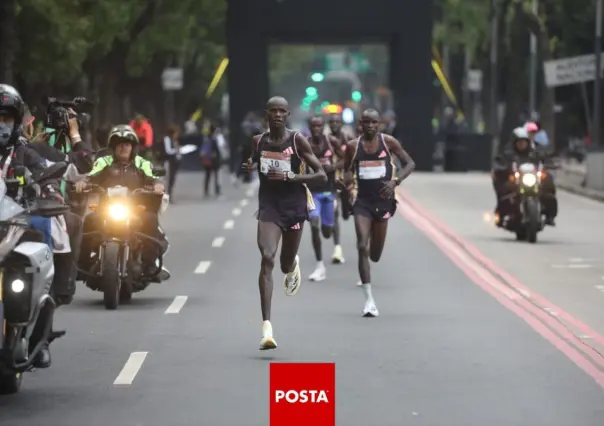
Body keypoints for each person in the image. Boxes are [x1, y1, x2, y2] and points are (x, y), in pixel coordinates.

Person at [241, 96, 326, 350]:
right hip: (269, 208)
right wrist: (249, 165)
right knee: (267, 257)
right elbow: (254, 161)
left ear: (287, 114)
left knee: (285, 264)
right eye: (273, 111)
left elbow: (320, 174)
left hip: (294, 207)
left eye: (281, 111)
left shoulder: (297, 140)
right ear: (266, 114)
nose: (277, 115)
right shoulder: (259, 141)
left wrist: (292, 177)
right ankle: (266, 327)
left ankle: (293, 264)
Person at [0, 84, 64, 368]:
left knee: (42, 236)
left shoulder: (25, 153)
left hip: (17, 224)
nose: (1, 125)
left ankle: (42, 334)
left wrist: (50, 190)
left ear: (16, 121)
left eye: (6, 119)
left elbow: (46, 174)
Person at [343, 109, 415, 317]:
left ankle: (372, 250)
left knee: (375, 255)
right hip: (362, 202)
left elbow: (410, 163)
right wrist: (347, 184)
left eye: (374, 122)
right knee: (361, 245)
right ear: (361, 124)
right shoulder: (352, 147)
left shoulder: (388, 143)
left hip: (383, 203)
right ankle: (369, 300)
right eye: (366, 122)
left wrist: (395, 182)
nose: (370, 126)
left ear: (379, 125)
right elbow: (348, 169)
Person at [74, 125, 169, 276]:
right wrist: (83, 183)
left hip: (136, 209)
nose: (123, 147)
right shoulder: (103, 162)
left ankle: (149, 263)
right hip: (107, 209)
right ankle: (83, 262)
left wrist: (157, 185)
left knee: (150, 220)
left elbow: (154, 178)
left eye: (127, 144)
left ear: (132, 147)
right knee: (89, 221)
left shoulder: (142, 163)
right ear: (113, 147)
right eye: (119, 144)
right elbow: (91, 176)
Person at [306, 116, 346, 281]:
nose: (316, 129)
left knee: (327, 232)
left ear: (323, 127)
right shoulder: (305, 143)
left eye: (319, 126)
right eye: (313, 126)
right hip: (312, 193)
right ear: (309, 127)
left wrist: (333, 167)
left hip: (329, 192)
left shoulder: (331, 142)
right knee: (314, 223)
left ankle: (332, 239)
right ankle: (319, 265)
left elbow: (345, 159)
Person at [492, 127, 557, 225]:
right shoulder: (508, 153)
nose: (522, 144)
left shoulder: (534, 152)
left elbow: (546, 159)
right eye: (519, 142)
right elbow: (499, 162)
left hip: (533, 179)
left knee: (548, 191)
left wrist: (550, 165)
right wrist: (502, 168)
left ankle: (550, 216)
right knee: (505, 193)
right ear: (514, 142)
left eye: (524, 142)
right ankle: (501, 215)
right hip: (516, 181)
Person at [327, 113, 353, 263]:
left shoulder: (348, 139)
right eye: (332, 122)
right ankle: (337, 248)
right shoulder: (326, 140)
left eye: (337, 121)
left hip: (346, 181)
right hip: (331, 182)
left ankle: (346, 208)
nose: (334, 124)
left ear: (341, 123)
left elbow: (351, 159)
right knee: (334, 212)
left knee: (345, 214)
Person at [200, 122, 222, 197]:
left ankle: (206, 191)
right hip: (214, 159)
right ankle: (217, 190)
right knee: (216, 175)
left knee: (207, 175)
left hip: (207, 159)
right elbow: (217, 150)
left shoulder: (206, 139)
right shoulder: (214, 139)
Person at [163, 124, 181, 202]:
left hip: (174, 162)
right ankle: (166, 196)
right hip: (168, 161)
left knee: (172, 179)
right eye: (176, 133)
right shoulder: (167, 139)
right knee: (168, 179)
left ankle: (169, 195)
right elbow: (168, 151)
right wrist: (176, 151)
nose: (177, 135)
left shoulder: (174, 140)